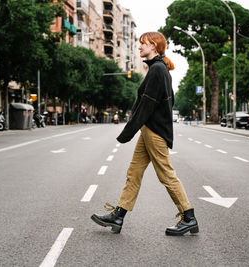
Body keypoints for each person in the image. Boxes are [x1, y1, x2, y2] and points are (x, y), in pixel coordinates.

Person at [91, 32, 198, 236]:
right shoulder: (158, 68)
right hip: (150, 129)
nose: (139, 47)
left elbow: (146, 104)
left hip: (154, 131)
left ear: (155, 46)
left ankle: (189, 217)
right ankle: (119, 215)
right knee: (134, 172)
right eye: (140, 44)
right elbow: (164, 101)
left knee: (166, 174)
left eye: (143, 44)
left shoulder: (158, 69)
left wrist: (127, 132)